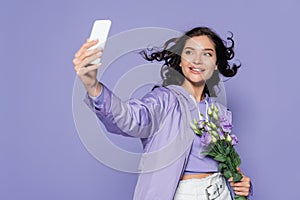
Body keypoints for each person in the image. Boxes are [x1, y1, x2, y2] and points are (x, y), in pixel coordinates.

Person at [73, 27, 252, 200]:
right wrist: (93, 86)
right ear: (181, 60)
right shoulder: (164, 100)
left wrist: (241, 182)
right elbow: (131, 118)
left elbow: (226, 161)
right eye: (190, 52)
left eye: (207, 54)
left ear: (215, 65)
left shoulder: (220, 112)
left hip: (221, 193)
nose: (197, 60)